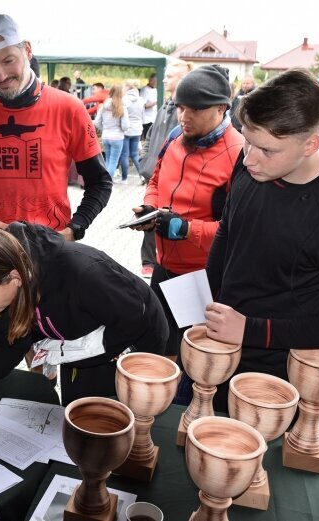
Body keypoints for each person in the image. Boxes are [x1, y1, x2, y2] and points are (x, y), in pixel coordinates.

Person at [202, 69, 319, 414]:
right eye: (247, 140)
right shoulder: (251, 162)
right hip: (217, 346)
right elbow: (229, 228)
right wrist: (205, 297)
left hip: (275, 376)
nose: (249, 157)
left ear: (311, 144)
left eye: (267, 150)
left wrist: (250, 330)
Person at [0, 223, 168, 405]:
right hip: (79, 345)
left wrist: (84, 351)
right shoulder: (9, 292)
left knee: (108, 419)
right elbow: (11, 345)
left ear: (15, 278)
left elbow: (137, 318)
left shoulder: (82, 273)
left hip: (133, 343)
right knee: (73, 411)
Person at [0, 13, 111, 243]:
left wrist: (74, 229)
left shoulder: (69, 108)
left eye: (8, 61)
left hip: (51, 250)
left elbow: (100, 182)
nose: (0, 75)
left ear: (28, 50)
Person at [130, 65, 243, 359]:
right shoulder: (176, 136)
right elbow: (155, 180)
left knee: (192, 360)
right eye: (181, 107)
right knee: (157, 351)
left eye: (195, 110)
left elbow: (239, 230)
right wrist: (150, 209)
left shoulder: (239, 154)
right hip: (163, 266)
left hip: (203, 278)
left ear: (221, 108)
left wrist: (184, 229)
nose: (184, 117)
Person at [137, 58, 192, 279]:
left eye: (169, 76)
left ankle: (154, 261)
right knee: (149, 215)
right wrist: (145, 159)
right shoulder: (165, 105)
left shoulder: (184, 113)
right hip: (154, 174)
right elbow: (150, 136)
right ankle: (149, 261)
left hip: (172, 178)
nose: (164, 80)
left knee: (163, 219)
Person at [94, 85, 129, 179]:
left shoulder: (104, 106)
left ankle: (103, 181)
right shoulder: (122, 107)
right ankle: (108, 183)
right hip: (117, 137)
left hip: (106, 136)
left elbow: (97, 122)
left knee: (107, 160)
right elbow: (125, 126)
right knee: (113, 161)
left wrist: (104, 129)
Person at [118, 79, 144, 183]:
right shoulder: (141, 100)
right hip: (137, 130)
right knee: (135, 154)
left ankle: (124, 179)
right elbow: (143, 116)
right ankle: (142, 176)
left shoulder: (124, 100)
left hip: (126, 130)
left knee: (124, 154)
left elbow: (121, 116)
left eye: (124, 87)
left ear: (128, 87)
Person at [140, 73, 158, 141]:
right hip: (147, 120)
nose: (155, 83)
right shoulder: (144, 90)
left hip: (154, 119)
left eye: (156, 81)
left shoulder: (156, 90)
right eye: (153, 81)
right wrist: (156, 102)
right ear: (150, 80)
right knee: (147, 140)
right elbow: (143, 105)